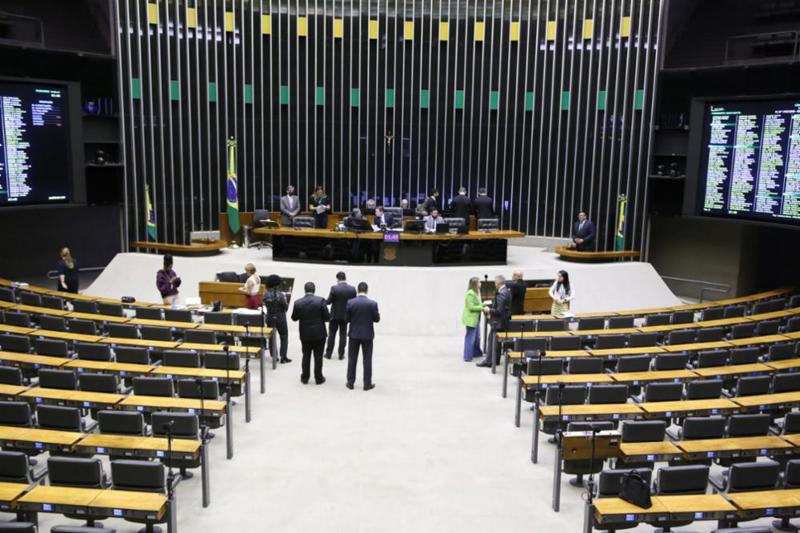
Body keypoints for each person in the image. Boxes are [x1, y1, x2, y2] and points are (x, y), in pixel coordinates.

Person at [291, 282, 330, 384]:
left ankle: (305, 378)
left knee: (306, 356)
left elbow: (294, 318)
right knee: (318, 357)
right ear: (314, 290)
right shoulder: (321, 301)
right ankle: (318, 378)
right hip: (319, 333)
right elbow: (327, 318)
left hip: (305, 334)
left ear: (305, 290)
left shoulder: (298, 302)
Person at [346, 282, 380, 391]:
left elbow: (347, 319)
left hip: (354, 335)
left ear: (357, 290)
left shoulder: (350, 302)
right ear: (367, 290)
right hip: (367, 335)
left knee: (352, 359)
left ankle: (350, 383)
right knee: (367, 359)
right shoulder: (373, 304)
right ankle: (367, 384)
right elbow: (376, 319)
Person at [477, 275, 511, 368]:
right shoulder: (507, 291)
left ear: (498, 283)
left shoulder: (501, 294)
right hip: (504, 321)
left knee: (492, 341)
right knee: (497, 342)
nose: (494, 284)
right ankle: (495, 360)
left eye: (495, 282)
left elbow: (499, 311)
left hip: (498, 322)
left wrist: (489, 310)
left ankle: (489, 361)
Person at [325, 271, 357, 359]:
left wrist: (322, 301)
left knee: (332, 334)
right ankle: (341, 354)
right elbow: (354, 303)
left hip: (334, 316)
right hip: (345, 316)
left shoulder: (334, 288)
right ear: (345, 278)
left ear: (338, 279)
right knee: (343, 335)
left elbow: (328, 301)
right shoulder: (352, 289)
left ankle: (328, 354)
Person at [263, 274, 291, 364]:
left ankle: (274, 356)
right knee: (284, 336)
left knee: (272, 338)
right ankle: (283, 357)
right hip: (280, 317)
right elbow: (285, 307)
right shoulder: (280, 295)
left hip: (270, 316)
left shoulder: (265, 294)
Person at [461, 277, 484, 362]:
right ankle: (467, 356)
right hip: (471, 319)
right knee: (470, 337)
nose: (480, 284)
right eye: (479, 282)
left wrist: (483, 304)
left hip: (476, 318)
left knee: (477, 337)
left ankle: (476, 353)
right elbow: (471, 307)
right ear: (475, 284)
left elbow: (476, 304)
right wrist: (482, 307)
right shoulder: (470, 293)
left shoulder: (475, 293)